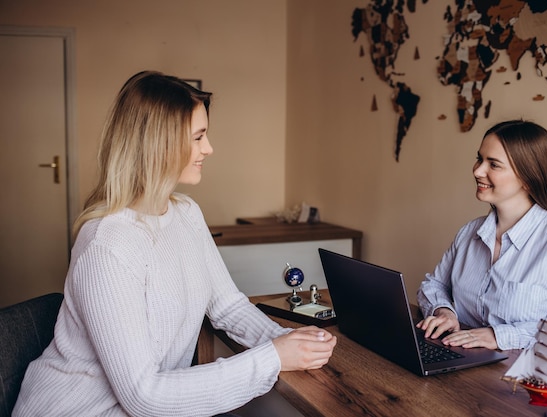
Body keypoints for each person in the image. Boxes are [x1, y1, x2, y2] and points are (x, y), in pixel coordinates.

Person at [13, 71, 337, 417]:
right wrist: (272, 357)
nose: (209, 148)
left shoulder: (186, 213)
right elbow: (144, 396)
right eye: (198, 137)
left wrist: (287, 341)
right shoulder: (105, 244)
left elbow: (227, 305)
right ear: (159, 144)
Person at [417, 120, 547, 351]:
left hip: (528, 378)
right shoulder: (469, 233)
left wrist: (499, 336)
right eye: (480, 159)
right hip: (461, 362)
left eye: (494, 164)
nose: (477, 170)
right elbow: (434, 284)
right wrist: (445, 312)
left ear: (527, 176)